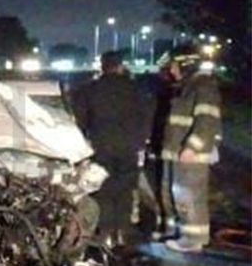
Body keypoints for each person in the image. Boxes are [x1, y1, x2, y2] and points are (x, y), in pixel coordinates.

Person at [71, 51, 151, 247]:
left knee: (103, 189)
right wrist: (140, 142)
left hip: (101, 146)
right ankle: (122, 231)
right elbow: (146, 116)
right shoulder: (135, 89)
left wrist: (82, 147)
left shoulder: (90, 90)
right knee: (125, 188)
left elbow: (80, 120)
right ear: (120, 66)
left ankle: (105, 232)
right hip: (129, 147)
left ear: (102, 66)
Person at [156, 45, 222, 252]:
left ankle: (193, 239)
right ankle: (177, 232)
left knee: (189, 196)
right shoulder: (187, 86)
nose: (172, 70)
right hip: (176, 150)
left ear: (186, 64)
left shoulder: (203, 85)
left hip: (190, 154)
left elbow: (208, 120)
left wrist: (193, 147)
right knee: (173, 194)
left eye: (175, 66)